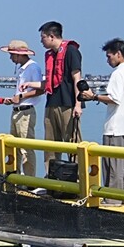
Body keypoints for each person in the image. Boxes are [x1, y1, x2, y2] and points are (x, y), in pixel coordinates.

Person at [81, 39, 124, 195]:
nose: (108, 60)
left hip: (116, 126)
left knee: (113, 164)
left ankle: (112, 199)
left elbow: (114, 98)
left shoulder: (118, 73)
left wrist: (94, 97)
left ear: (118, 54)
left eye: (109, 56)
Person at [0, 39, 44, 178]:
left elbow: (41, 89)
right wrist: (13, 99)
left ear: (19, 54)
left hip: (26, 111)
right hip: (18, 110)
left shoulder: (33, 67)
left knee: (26, 148)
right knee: (14, 146)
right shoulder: (23, 69)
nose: (10, 58)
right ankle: (15, 176)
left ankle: (29, 180)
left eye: (12, 55)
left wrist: (21, 96)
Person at [39, 21, 87, 151]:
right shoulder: (50, 55)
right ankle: (51, 165)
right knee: (50, 143)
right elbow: (48, 81)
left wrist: (78, 105)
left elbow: (77, 79)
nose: (41, 41)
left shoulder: (71, 51)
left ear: (52, 36)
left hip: (68, 104)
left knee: (72, 141)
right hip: (51, 102)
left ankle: (78, 164)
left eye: (43, 37)